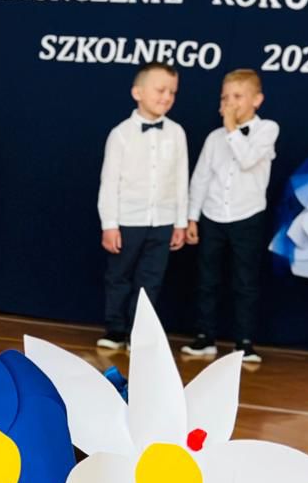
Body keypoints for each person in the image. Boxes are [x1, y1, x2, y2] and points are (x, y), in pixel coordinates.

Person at [181, 69, 278, 363]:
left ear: (257, 100)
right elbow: (201, 177)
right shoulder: (214, 138)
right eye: (225, 98)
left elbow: (248, 160)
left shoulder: (267, 129)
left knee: (244, 281)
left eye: (237, 96)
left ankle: (244, 342)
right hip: (213, 215)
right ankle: (204, 337)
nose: (230, 103)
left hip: (247, 216)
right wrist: (192, 216)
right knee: (207, 279)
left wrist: (231, 128)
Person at [98, 61, 188, 349]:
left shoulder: (176, 133)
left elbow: (181, 178)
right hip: (128, 219)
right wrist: (109, 224)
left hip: (163, 220)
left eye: (172, 92)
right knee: (119, 276)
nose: (167, 97)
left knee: (151, 280)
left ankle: (139, 333)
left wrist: (180, 222)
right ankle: (115, 329)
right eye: (160, 90)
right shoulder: (121, 134)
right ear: (138, 92)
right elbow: (109, 182)